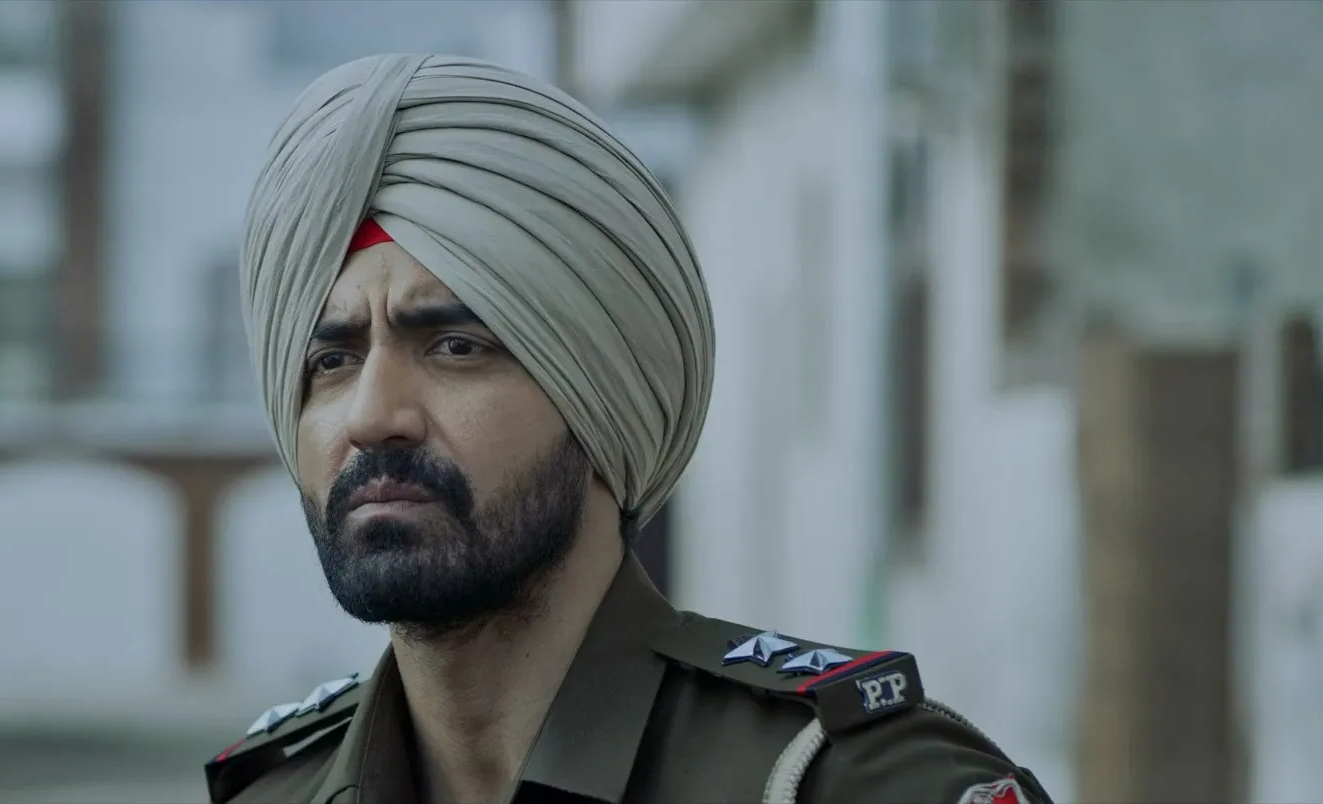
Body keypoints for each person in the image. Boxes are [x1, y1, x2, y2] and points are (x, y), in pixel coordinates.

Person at [208, 53, 1051, 804]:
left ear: (599, 397)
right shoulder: (276, 791)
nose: (372, 416)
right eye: (332, 360)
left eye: (457, 347)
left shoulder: (846, 783)